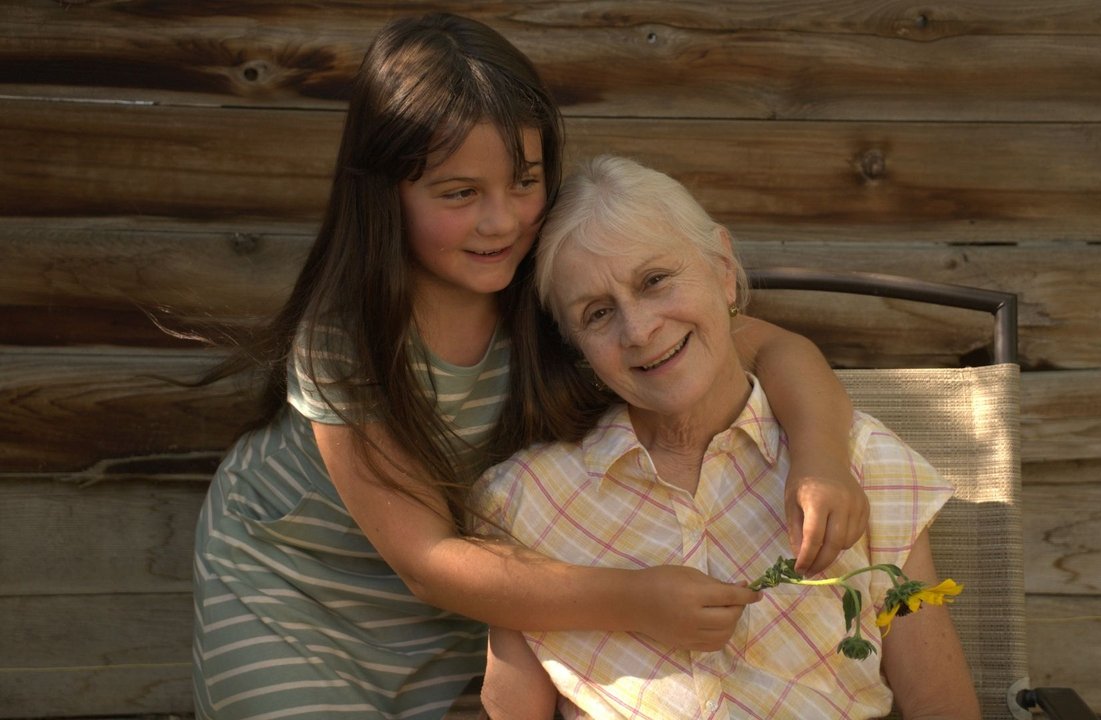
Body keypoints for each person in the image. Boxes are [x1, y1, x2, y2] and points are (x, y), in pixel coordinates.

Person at [191, 13, 870, 719]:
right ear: (385, 191)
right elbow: (426, 563)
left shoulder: (558, 284)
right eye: (460, 193)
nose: (503, 221)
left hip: (488, 594)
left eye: (524, 181)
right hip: (296, 589)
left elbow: (774, 347)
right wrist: (634, 599)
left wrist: (820, 461)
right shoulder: (347, 339)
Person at [471, 155, 981, 719]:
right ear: (576, 345)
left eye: (655, 281)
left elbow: (940, 704)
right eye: (597, 313)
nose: (638, 330)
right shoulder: (527, 502)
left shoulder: (858, 463)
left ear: (721, 266)